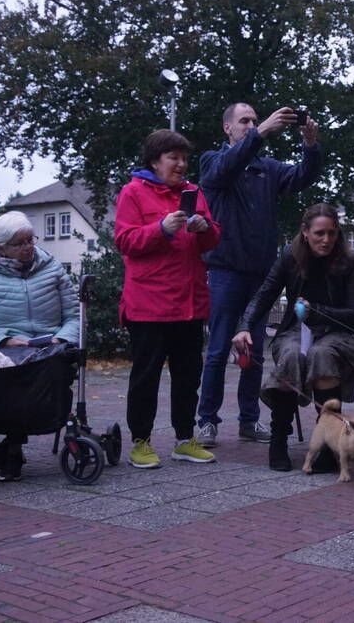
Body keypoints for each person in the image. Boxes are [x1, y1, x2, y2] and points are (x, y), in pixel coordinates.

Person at [197, 102, 322, 448]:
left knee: (253, 352)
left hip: (260, 274)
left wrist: (310, 147)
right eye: (245, 121)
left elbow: (302, 177)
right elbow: (225, 168)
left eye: (254, 120)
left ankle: (248, 420)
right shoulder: (212, 162)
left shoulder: (267, 169)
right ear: (228, 128)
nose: (251, 125)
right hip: (224, 271)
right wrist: (263, 131)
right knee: (219, 348)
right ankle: (207, 420)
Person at [231, 203, 354, 472]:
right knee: (292, 355)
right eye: (320, 233)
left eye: (332, 233)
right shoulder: (289, 256)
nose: (326, 239)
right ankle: (278, 440)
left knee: (322, 354)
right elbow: (264, 295)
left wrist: (317, 310)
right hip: (297, 331)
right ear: (305, 231)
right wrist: (244, 326)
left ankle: (332, 446)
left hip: (342, 333)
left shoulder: (350, 261)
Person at [115, 129, 222, 469]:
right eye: (173, 158)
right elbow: (125, 241)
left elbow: (213, 240)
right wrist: (161, 229)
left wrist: (206, 229)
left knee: (188, 376)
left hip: (188, 301)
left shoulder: (193, 192)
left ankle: (183, 439)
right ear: (154, 161)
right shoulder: (133, 192)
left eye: (184, 158)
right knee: (145, 376)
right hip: (148, 303)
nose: (181, 164)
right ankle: (140, 442)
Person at [0, 210, 79, 480]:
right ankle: (13, 446)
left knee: (49, 371)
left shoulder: (52, 268)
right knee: (16, 378)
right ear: (0, 247)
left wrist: (61, 338)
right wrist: (4, 340)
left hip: (50, 347)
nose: (29, 247)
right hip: (7, 351)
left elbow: (74, 316)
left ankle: (12, 447)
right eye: (20, 243)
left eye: (31, 240)